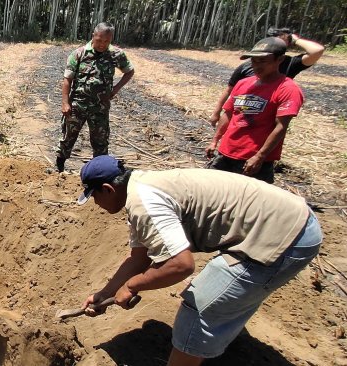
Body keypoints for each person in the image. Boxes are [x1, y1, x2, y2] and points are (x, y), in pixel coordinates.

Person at [75, 155, 322, 366]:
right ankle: (210, 346)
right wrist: (105, 293)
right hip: (284, 222)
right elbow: (139, 258)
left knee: (200, 305)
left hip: (286, 236)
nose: (96, 204)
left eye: (94, 196)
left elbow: (181, 265)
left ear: (108, 189)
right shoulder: (141, 187)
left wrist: (131, 286)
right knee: (220, 300)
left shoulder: (145, 203)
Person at [205, 37, 304, 183]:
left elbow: (281, 126)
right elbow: (229, 113)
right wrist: (215, 141)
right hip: (226, 152)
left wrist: (260, 156)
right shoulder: (243, 83)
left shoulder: (288, 89)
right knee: (212, 192)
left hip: (253, 159)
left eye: (263, 61)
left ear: (280, 59)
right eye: (254, 61)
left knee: (247, 201)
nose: (256, 66)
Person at [55, 22, 134, 172]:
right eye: (99, 40)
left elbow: (129, 71)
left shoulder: (116, 54)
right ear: (93, 36)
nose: (102, 44)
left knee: (100, 141)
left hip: (100, 108)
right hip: (78, 105)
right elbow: (67, 80)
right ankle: (59, 167)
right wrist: (65, 103)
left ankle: (98, 173)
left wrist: (115, 89)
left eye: (106, 41)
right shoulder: (79, 53)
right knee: (68, 137)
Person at [209, 27, 324, 127]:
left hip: (268, 119)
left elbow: (317, 50)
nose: (258, 65)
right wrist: (216, 112)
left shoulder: (289, 63)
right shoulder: (246, 66)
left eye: (283, 41)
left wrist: (295, 39)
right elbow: (229, 90)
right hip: (243, 114)